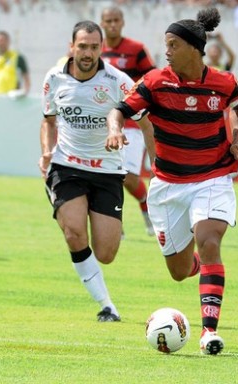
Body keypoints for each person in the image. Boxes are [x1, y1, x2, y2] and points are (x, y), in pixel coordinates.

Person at [106, 8, 238, 353]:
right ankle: (198, 269)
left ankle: (208, 333)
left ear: (194, 49)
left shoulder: (222, 82)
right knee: (179, 270)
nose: (166, 50)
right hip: (168, 186)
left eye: (173, 44)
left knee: (209, 239)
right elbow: (119, 110)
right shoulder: (156, 82)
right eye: (165, 44)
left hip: (212, 176)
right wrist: (114, 130)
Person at [38, 20, 154, 322]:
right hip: (67, 166)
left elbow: (145, 122)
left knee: (106, 253)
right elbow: (48, 121)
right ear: (71, 47)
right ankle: (107, 306)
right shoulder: (54, 78)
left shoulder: (118, 80)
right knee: (74, 232)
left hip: (107, 170)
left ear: (101, 48)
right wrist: (47, 152)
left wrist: (158, 165)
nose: (88, 52)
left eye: (93, 47)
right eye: (82, 46)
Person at [101, 6, 156, 236]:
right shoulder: (94, 49)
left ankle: (145, 205)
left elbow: (152, 79)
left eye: (116, 20)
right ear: (102, 23)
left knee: (128, 177)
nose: (112, 24)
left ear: (122, 22)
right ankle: (115, 225)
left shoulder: (136, 50)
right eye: (108, 21)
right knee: (105, 174)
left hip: (132, 121)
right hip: (102, 122)